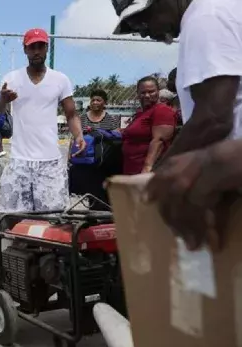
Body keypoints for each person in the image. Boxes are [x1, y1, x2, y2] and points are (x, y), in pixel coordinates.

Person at [112, 0, 242, 249]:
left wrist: (158, 182)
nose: (142, 30)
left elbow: (214, 118)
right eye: (131, 25)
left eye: (141, 18)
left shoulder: (205, 18)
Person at [0, 28, 85, 213]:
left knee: (53, 217)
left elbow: (71, 114)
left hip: (49, 161)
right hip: (19, 160)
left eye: (40, 46)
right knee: (14, 217)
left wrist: (79, 135)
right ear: (25, 49)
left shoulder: (60, 80)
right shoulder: (11, 79)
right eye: (32, 47)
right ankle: (20, 242)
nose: (36, 51)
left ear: (47, 48)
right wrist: (3, 99)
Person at [69, 89, 121, 208]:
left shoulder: (111, 120)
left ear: (104, 103)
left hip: (103, 162)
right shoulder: (82, 118)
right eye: (93, 100)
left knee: (102, 192)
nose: (95, 102)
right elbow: (74, 138)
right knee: (86, 190)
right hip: (85, 161)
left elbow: (117, 138)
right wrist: (70, 156)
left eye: (98, 100)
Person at [122, 76, 177, 175]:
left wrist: (147, 168)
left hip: (149, 173)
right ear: (138, 94)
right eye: (143, 92)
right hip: (132, 169)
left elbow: (159, 141)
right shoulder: (141, 114)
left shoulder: (162, 110)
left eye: (151, 92)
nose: (147, 95)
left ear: (158, 92)